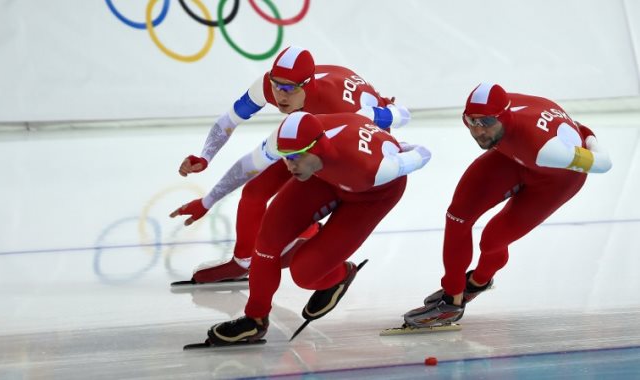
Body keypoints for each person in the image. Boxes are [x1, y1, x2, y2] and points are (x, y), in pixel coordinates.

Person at [170, 111, 431, 344]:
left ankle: (341, 274)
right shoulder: (287, 142)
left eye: (296, 158)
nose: (289, 165)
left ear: (318, 147)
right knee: (267, 242)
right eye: (284, 157)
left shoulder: (372, 168)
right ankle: (254, 321)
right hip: (323, 177)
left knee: (305, 275)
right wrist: (207, 202)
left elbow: (422, 155)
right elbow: (246, 168)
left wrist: (402, 146)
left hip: (370, 196)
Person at [177, 46, 411, 284]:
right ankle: (243, 261)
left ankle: (310, 237)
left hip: (354, 140)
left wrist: (390, 131)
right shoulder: (269, 88)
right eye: (276, 85)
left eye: (289, 89)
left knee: (308, 191)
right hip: (311, 130)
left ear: (307, 86)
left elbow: (402, 114)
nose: (280, 96)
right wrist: (205, 157)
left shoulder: (345, 108)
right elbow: (229, 120)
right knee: (254, 190)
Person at [402, 83, 612, 328]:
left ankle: (479, 281)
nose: (479, 131)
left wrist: (588, 136)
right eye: (472, 121)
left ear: (504, 116)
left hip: (555, 180)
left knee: (491, 240)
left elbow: (603, 163)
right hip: (513, 156)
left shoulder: (547, 149)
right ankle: (451, 301)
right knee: (457, 216)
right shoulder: (497, 112)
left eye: (487, 123)